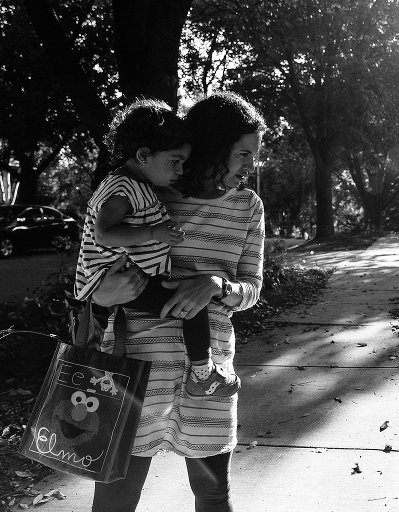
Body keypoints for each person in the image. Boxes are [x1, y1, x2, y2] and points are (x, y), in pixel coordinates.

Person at [88, 91, 267, 512]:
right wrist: (103, 293)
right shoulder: (149, 192)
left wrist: (215, 284)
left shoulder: (248, 207)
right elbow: (96, 261)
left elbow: (252, 289)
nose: (251, 166)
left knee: (212, 495)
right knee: (115, 496)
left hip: (206, 374)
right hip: (135, 371)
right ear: (212, 147)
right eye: (243, 154)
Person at [74, 98, 239, 399]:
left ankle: (201, 372)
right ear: (144, 155)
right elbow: (104, 233)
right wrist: (154, 232)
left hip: (131, 278)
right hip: (114, 281)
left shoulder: (138, 184)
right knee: (192, 305)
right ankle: (203, 374)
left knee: (190, 300)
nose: (180, 170)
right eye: (175, 161)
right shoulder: (120, 188)